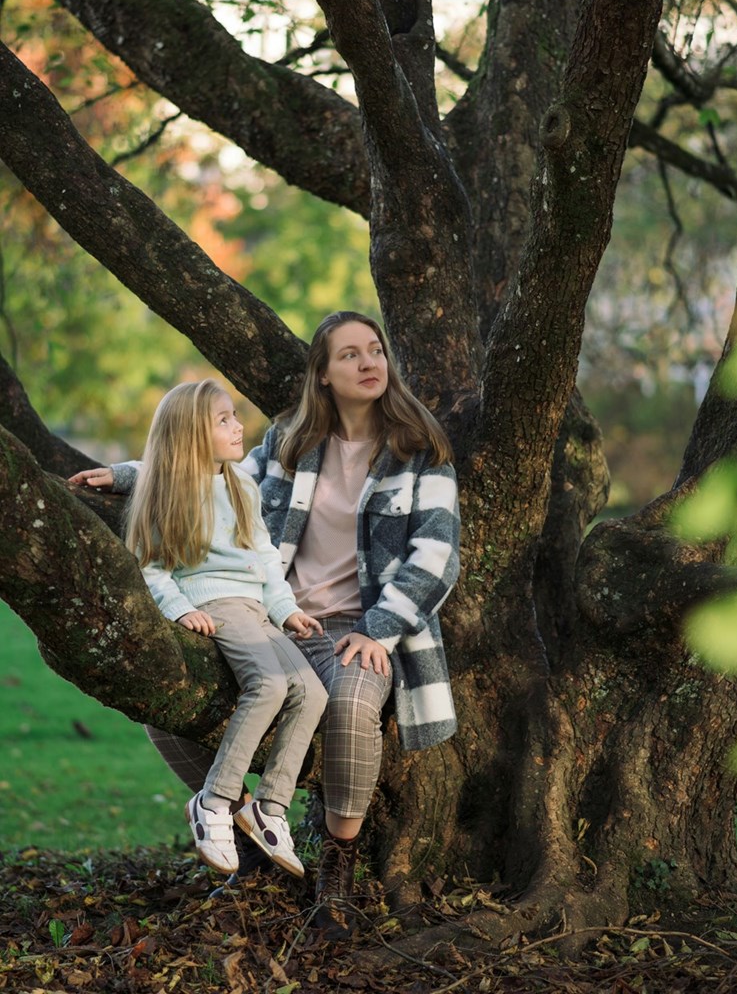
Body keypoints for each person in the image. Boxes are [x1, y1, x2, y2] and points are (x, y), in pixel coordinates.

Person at [71, 311, 460, 935]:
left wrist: (380, 626)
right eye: (350, 355)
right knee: (165, 709)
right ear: (324, 375)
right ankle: (246, 834)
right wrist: (122, 476)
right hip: (278, 613)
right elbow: (203, 475)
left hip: (360, 627)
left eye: (376, 351)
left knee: (351, 705)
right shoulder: (289, 443)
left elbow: (436, 560)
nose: (369, 364)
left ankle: (337, 865)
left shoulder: (420, 454)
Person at [72, 379, 328, 879]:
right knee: (270, 684)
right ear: (192, 433)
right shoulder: (167, 490)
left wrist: (285, 610)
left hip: (256, 607)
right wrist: (178, 609)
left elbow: (265, 560)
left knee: (312, 692)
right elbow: (150, 567)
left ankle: (270, 809)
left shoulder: (240, 484)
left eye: (236, 416)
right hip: (216, 602)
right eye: (225, 420)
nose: (239, 427)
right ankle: (214, 801)